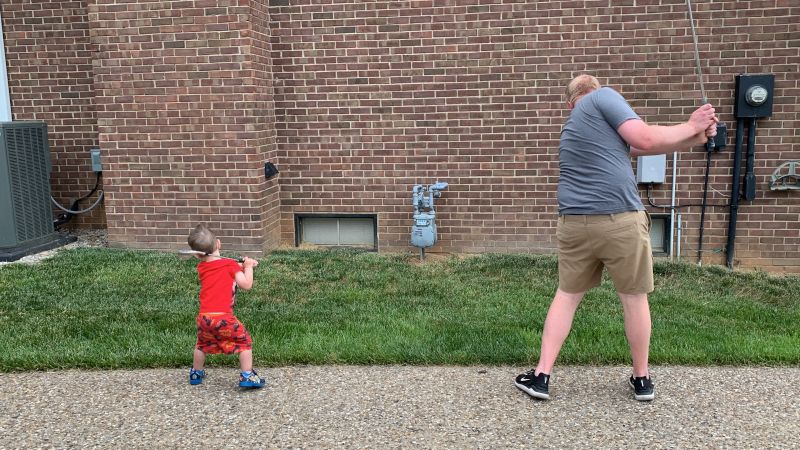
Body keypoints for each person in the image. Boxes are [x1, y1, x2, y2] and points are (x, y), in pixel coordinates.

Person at [515, 74, 718, 401]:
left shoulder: (572, 129)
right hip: (619, 219)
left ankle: (541, 377)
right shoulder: (602, 97)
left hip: (574, 224)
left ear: (570, 103)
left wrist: (694, 137)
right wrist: (693, 122)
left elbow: (637, 146)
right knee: (634, 298)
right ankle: (641, 380)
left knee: (567, 296)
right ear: (592, 94)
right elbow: (647, 139)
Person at [187, 224, 265, 389]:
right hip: (223, 318)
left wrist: (242, 266)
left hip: (204, 318)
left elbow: (222, 269)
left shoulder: (202, 267)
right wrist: (249, 267)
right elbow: (246, 284)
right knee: (244, 343)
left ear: (196, 255)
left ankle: (196, 372)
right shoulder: (229, 265)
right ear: (219, 244)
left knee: (201, 344)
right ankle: (247, 376)